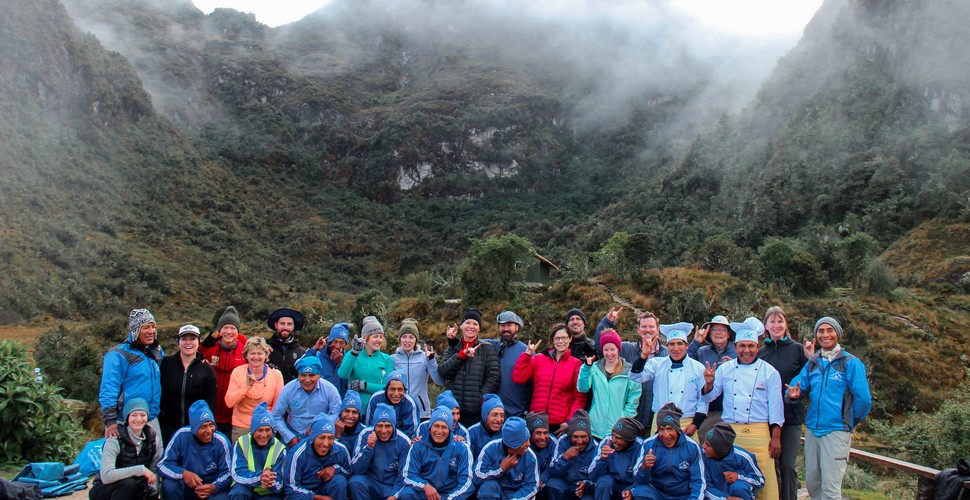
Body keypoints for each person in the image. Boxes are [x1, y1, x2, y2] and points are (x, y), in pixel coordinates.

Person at [787, 317, 872, 500]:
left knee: (831, 490)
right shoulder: (814, 362)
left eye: (829, 330)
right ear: (816, 335)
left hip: (836, 432)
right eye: (821, 331)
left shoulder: (850, 363)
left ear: (837, 334)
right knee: (813, 484)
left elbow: (864, 400)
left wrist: (848, 420)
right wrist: (793, 392)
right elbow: (798, 384)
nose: (825, 335)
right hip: (812, 430)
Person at [702, 317, 783, 500]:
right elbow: (709, 396)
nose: (746, 351)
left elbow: (776, 409)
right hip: (731, 435)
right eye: (742, 346)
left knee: (766, 484)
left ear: (757, 347)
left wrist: (776, 438)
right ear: (736, 346)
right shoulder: (725, 369)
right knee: (732, 482)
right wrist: (708, 383)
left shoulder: (769, 372)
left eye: (751, 346)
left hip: (759, 433)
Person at [758, 306, 808, 500]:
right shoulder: (760, 353)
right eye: (772, 321)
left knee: (787, 464)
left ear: (786, 325)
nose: (776, 325)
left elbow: (810, 380)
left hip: (791, 417)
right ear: (765, 326)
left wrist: (798, 394)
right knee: (771, 465)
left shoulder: (798, 350)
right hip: (765, 419)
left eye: (780, 321)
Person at [596, 309, 669, 435]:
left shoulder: (666, 354)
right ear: (638, 330)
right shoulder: (626, 349)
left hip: (656, 418)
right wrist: (608, 322)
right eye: (644, 327)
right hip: (630, 418)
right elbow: (600, 346)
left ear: (658, 330)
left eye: (651, 327)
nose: (648, 330)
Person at [629, 322, 708, 437]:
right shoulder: (657, 364)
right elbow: (636, 376)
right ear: (667, 346)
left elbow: (703, 400)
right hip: (660, 422)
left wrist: (695, 424)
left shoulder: (698, 368)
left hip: (686, 423)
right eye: (672, 344)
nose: (676, 348)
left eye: (680, 344)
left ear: (687, 345)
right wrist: (644, 355)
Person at [99, 308, 164, 439]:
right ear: (135, 330)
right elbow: (109, 388)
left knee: (157, 458)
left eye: (153, 327)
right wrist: (110, 421)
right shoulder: (118, 355)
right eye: (146, 327)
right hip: (124, 420)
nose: (151, 331)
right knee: (124, 458)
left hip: (150, 418)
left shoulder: (155, 353)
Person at [512, 323, 587, 435]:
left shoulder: (576, 364)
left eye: (564, 338)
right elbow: (518, 377)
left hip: (559, 425)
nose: (560, 341)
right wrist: (527, 355)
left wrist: (569, 421)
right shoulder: (538, 359)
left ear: (570, 339)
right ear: (553, 340)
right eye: (557, 338)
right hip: (536, 420)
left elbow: (579, 397)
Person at [89, 398, 163, 500]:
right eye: (134, 415)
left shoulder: (153, 439)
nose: (138, 419)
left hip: (136, 487)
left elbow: (155, 469)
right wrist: (140, 470)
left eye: (142, 415)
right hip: (106, 489)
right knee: (128, 483)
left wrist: (153, 490)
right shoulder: (115, 440)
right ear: (127, 417)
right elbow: (106, 476)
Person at [158, 400, 232, 500]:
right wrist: (183, 473)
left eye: (211, 425)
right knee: (170, 485)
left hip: (210, 488)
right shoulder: (181, 435)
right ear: (194, 428)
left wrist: (214, 487)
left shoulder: (222, 441)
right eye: (203, 427)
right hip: (185, 485)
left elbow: (228, 472)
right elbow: (162, 464)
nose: (209, 431)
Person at [439, 309, 501, 427]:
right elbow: (444, 371)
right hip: (453, 411)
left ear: (479, 328)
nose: (471, 327)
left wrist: (480, 398)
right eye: (467, 323)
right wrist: (461, 355)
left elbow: (494, 376)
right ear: (461, 326)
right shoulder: (452, 347)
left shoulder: (487, 349)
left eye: (475, 324)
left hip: (475, 411)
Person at [631, 403, 705, 500]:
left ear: (677, 429)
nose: (666, 435)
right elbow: (638, 480)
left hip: (682, 496)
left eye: (670, 429)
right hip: (657, 494)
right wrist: (644, 467)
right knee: (638, 492)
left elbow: (698, 482)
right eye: (662, 429)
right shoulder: (648, 444)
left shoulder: (692, 447)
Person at [577, 330, 641, 440]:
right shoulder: (594, 368)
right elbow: (583, 388)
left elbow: (634, 398)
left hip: (617, 429)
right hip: (595, 428)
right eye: (606, 350)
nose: (609, 353)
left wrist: (624, 417)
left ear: (618, 350)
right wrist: (586, 368)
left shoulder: (629, 371)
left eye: (612, 349)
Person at [400, 406, 474, 500]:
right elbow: (408, 474)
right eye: (436, 426)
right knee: (407, 494)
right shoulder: (418, 446)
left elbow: (467, 480)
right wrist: (425, 486)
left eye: (444, 427)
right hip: (425, 493)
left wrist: (451, 498)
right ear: (430, 427)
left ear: (450, 429)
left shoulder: (461, 448)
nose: (439, 431)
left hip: (450, 495)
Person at [159, 324, 217, 444]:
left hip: (195, 430)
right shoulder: (166, 364)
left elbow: (210, 403)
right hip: (167, 428)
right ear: (178, 342)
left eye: (192, 338)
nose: (188, 342)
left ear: (199, 341)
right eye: (184, 339)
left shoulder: (206, 369)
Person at [271, 356, 342, 447]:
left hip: (321, 434)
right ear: (298, 375)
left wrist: (320, 424)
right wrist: (289, 436)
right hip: (293, 433)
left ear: (319, 375)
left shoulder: (330, 390)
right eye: (303, 375)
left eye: (312, 375)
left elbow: (336, 413)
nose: (307, 380)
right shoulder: (288, 389)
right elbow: (276, 416)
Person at [688, 314, 738, 443]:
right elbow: (686, 363)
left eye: (723, 329)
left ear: (729, 334)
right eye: (715, 329)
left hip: (731, 411)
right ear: (709, 334)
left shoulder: (737, 353)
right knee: (705, 444)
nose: (719, 333)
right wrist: (696, 342)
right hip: (707, 410)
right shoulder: (701, 352)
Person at [225, 337, 285, 443]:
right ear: (246, 355)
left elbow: (278, 407)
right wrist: (246, 386)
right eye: (252, 353)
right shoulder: (237, 372)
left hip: (265, 427)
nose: (256, 357)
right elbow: (229, 402)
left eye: (260, 353)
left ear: (266, 355)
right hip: (242, 427)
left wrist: (265, 425)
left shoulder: (276, 374)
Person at [200, 306, 248, 437]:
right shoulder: (209, 348)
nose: (228, 332)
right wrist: (202, 347)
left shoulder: (245, 351)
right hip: (210, 413)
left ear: (238, 331)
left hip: (235, 416)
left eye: (232, 328)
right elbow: (191, 357)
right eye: (225, 328)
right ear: (219, 330)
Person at [349, 403, 412, 500]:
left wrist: (394, 496)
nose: (383, 431)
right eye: (379, 426)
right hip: (371, 482)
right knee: (355, 482)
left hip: (391, 487)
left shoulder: (403, 441)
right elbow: (356, 469)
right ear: (374, 425)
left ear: (393, 426)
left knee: (406, 493)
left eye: (388, 426)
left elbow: (404, 476)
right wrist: (369, 448)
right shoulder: (365, 434)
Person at [283, 414, 351, 500]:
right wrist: (316, 498)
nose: (326, 443)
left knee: (339, 481)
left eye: (330, 438)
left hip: (325, 489)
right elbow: (290, 488)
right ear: (312, 437)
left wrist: (335, 469)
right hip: (303, 494)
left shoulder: (340, 450)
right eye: (321, 438)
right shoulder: (297, 453)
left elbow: (349, 472)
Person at [228, 402, 286, 499]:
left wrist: (269, 481)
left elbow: (280, 484)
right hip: (246, 487)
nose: (264, 435)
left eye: (268, 430)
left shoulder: (280, 448)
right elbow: (236, 474)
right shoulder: (242, 442)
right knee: (239, 492)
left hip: (267, 491)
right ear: (253, 430)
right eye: (260, 430)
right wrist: (259, 477)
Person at [473, 417, 540, 500]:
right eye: (524, 441)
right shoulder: (490, 448)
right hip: (494, 492)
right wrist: (501, 469)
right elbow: (477, 477)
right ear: (514, 444)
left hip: (516, 496)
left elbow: (532, 486)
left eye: (528, 439)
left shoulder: (530, 456)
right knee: (489, 486)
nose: (529, 444)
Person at [337, 315, 396, 411]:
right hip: (354, 409)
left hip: (377, 409)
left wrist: (365, 386)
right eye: (375, 336)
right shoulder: (353, 354)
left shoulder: (386, 359)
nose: (379, 340)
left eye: (381, 337)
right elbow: (342, 374)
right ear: (366, 337)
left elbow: (388, 387)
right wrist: (354, 352)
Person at [481, 311, 531, 418]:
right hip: (492, 414)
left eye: (509, 325)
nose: (506, 328)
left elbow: (533, 384)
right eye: (502, 325)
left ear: (517, 327)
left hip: (516, 412)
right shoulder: (491, 346)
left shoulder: (526, 351)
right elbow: (472, 341)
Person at [391, 318, 443, 419]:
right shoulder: (392, 359)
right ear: (399, 339)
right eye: (404, 337)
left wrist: (431, 360)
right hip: (399, 411)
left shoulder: (425, 357)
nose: (407, 341)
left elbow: (439, 381)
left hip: (422, 412)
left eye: (411, 337)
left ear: (416, 340)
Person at [701, 422, 765, 500]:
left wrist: (739, 476)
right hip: (715, 497)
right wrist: (725, 498)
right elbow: (703, 486)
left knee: (739, 487)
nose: (703, 446)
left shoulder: (744, 457)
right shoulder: (702, 456)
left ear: (719, 449)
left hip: (739, 495)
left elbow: (760, 481)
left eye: (708, 444)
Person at [587, 417, 645, 500]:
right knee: (604, 482)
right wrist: (602, 459)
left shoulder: (640, 445)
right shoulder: (607, 442)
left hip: (631, 487)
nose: (613, 440)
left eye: (618, 438)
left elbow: (642, 477)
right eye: (613, 435)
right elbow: (592, 475)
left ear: (629, 439)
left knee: (643, 491)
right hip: (612, 486)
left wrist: (632, 491)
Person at [546, 410, 597, 500]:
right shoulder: (563, 441)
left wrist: (587, 485)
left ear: (589, 436)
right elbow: (552, 470)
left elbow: (599, 478)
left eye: (583, 436)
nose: (579, 441)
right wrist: (565, 457)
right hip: (565, 484)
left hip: (584, 489)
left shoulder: (596, 448)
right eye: (575, 436)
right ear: (570, 435)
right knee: (553, 485)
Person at [364, 370, 419, 439]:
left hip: (400, 444)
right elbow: (369, 426)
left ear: (404, 390)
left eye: (400, 389)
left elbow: (411, 433)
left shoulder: (410, 403)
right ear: (386, 389)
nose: (396, 394)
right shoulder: (375, 399)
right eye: (392, 389)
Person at [306, 322, 350, 397]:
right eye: (335, 341)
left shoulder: (349, 359)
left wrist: (341, 364)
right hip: (319, 401)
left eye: (342, 343)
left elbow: (350, 385)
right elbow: (302, 367)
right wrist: (314, 349)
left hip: (340, 402)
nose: (337, 346)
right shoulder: (319, 356)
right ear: (329, 342)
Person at [265, 308, 306, 384]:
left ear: (294, 327)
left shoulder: (300, 352)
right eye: (282, 323)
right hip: (269, 392)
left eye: (289, 324)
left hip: (292, 393)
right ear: (276, 325)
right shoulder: (265, 347)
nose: (285, 327)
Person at [524, 412, 559, 497]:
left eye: (545, 433)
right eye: (538, 433)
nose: (543, 437)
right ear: (530, 435)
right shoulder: (523, 444)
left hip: (544, 480)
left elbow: (551, 467)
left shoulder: (554, 443)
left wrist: (542, 479)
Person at [467, 393, 506, 458]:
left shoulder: (507, 433)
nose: (499, 419)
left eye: (502, 415)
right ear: (485, 416)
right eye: (494, 415)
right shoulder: (471, 432)